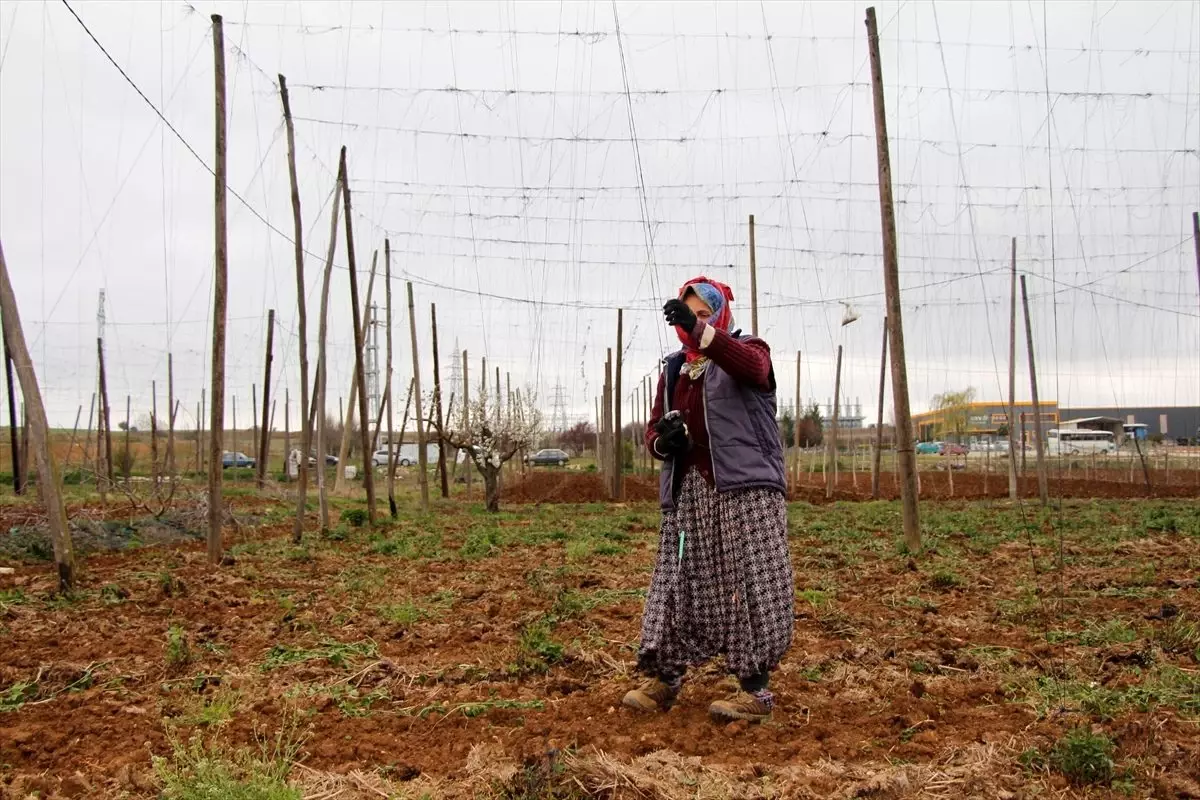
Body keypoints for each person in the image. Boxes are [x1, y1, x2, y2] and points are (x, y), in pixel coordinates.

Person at [622, 276, 793, 724]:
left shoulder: (749, 350)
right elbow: (654, 429)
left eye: (703, 314)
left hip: (745, 488)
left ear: (718, 314)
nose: (693, 323)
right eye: (688, 315)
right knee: (680, 581)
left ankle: (755, 691)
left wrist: (703, 334)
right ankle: (665, 678)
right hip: (690, 491)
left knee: (753, 581)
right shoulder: (676, 367)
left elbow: (752, 370)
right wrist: (666, 442)